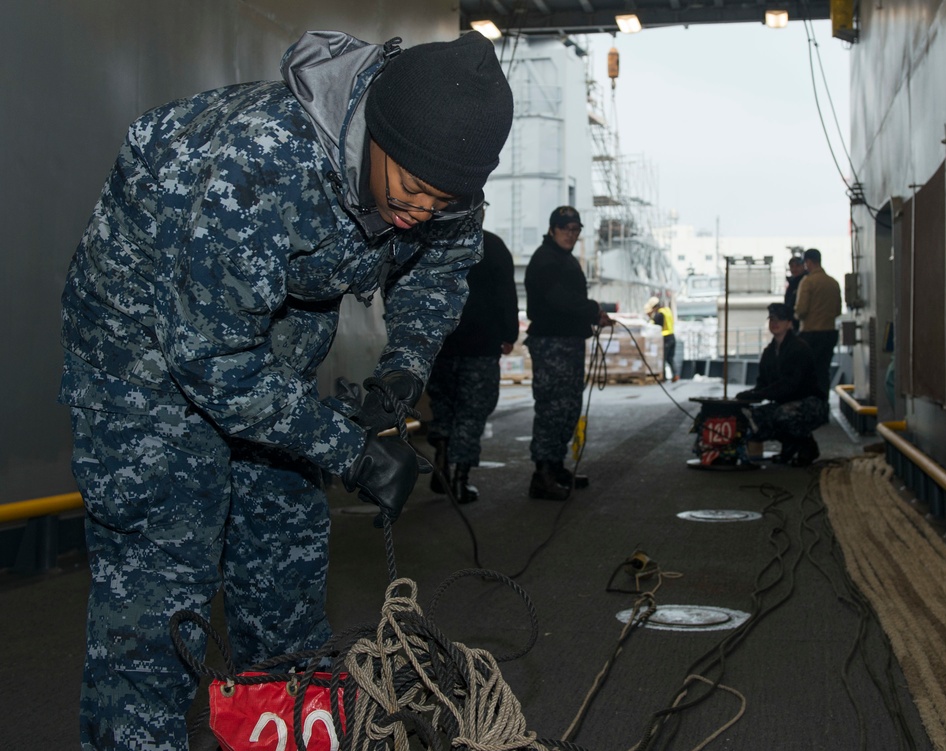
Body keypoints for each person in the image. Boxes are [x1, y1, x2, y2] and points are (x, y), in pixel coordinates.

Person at [58, 29, 513, 750]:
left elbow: (440, 270)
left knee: (285, 568)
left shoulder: (445, 189)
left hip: (265, 353)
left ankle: (277, 728)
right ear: (377, 135)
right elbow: (209, 358)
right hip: (144, 361)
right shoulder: (261, 162)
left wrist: (404, 369)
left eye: (445, 199)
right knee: (161, 598)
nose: (423, 210)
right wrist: (350, 452)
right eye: (414, 189)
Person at [523, 206, 613, 500]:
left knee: (568, 407)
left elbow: (570, 301)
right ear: (552, 229)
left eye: (575, 230)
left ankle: (556, 466)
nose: (571, 235)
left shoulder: (563, 258)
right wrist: (591, 309)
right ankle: (542, 474)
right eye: (565, 229)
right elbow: (558, 299)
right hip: (552, 344)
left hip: (568, 342)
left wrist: (592, 315)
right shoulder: (545, 259)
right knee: (552, 409)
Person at [426, 225, 519, 503]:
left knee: (443, 406)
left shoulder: (437, 239)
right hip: (480, 345)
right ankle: (459, 481)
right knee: (472, 412)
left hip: (442, 343)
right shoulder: (492, 245)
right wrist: (509, 334)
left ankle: (441, 461)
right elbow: (506, 295)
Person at [736, 303, 828, 466]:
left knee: (784, 415)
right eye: (771, 319)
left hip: (811, 403)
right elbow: (762, 384)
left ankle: (807, 446)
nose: (774, 323)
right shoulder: (769, 353)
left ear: (789, 323)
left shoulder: (799, 348)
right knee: (753, 419)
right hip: (784, 403)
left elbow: (790, 385)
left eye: (780, 319)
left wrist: (759, 394)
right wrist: (747, 399)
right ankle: (790, 446)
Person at [794, 247, 842, 394]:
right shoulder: (833, 282)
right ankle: (823, 403)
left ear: (808, 262)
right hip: (829, 334)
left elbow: (801, 310)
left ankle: (810, 405)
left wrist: (795, 316)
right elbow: (837, 311)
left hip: (811, 334)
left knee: (807, 372)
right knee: (823, 371)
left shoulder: (808, 282)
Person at [644, 295, 678, 381]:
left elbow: (656, 327)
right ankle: (675, 375)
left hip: (665, 338)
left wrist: (650, 320)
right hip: (672, 336)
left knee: (662, 358)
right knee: (670, 358)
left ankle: (663, 377)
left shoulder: (659, 314)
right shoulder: (667, 310)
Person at [784, 255, 806, 331]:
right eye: (792, 266)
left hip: (802, 322)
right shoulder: (792, 283)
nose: (794, 269)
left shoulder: (806, 282)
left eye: (797, 266)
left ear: (803, 266)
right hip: (792, 321)